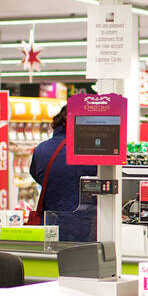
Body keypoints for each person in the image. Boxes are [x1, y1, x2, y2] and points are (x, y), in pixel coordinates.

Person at [30, 104, 98, 242]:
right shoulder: (91, 151)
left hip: (50, 225)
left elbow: (38, 177)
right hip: (86, 226)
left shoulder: (41, 150)